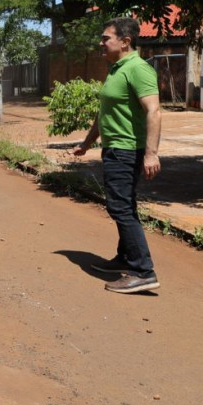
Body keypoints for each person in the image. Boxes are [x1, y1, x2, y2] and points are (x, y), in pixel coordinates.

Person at [73, 17, 163, 294]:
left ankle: (142, 271)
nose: (101, 43)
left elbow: (154, 111)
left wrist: (151, 154)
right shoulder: (116, 68)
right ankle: (125, 258)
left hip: (127, 150)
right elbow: (105, 113)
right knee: (125, 204)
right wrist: (87, 143)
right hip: (114, 148)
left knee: (120, 207)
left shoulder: (137, 69)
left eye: (105, 38)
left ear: (125, 42)